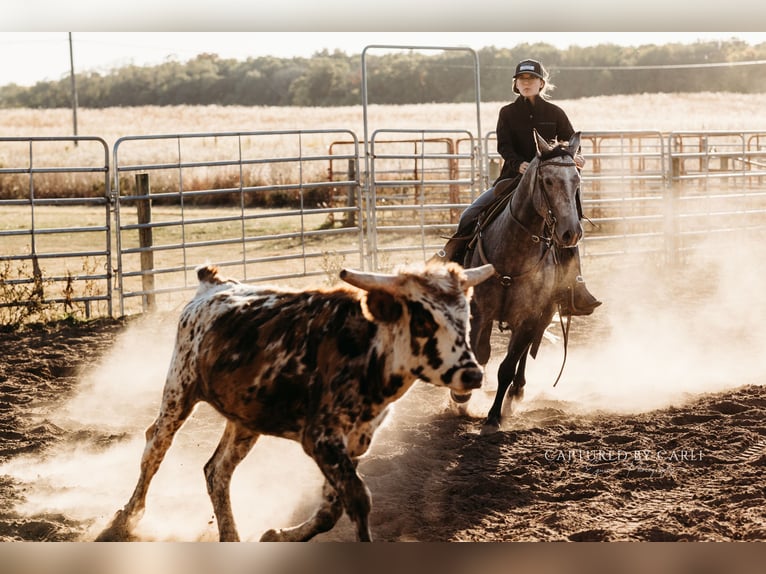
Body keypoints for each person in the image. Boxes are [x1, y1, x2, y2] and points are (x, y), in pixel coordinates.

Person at [432, 58, 601, 316]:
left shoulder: (556, 113)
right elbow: (504, 146)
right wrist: (519, 164)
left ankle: (574, 286)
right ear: (516, 85)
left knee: (568, 226)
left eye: (531, 79)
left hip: (548, 186)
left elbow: (569, 145)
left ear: (541, 83)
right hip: (513, 180)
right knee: (469, 215)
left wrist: (576, 158)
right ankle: (452, 277)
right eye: (522, 80)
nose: (526, 83)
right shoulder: (507, 113)